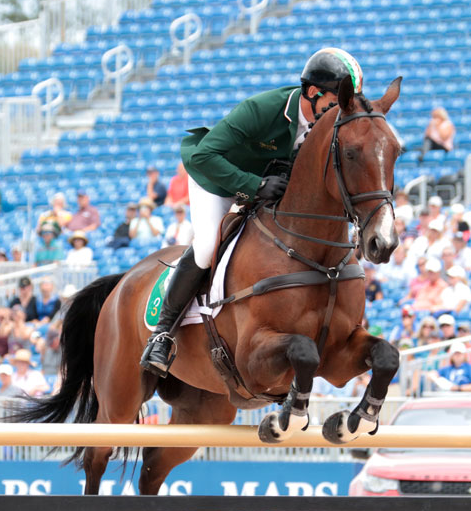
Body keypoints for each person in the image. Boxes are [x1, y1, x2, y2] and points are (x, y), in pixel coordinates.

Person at [142, 47, 368, 375]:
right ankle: (162, 335)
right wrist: (254, 186)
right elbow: (205, 156)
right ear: (313, 93)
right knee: (207, 245)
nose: (341, 111)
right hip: (216, 179)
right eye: (337, 102)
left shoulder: (329, 125)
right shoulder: (263, 110)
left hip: (269, 189)